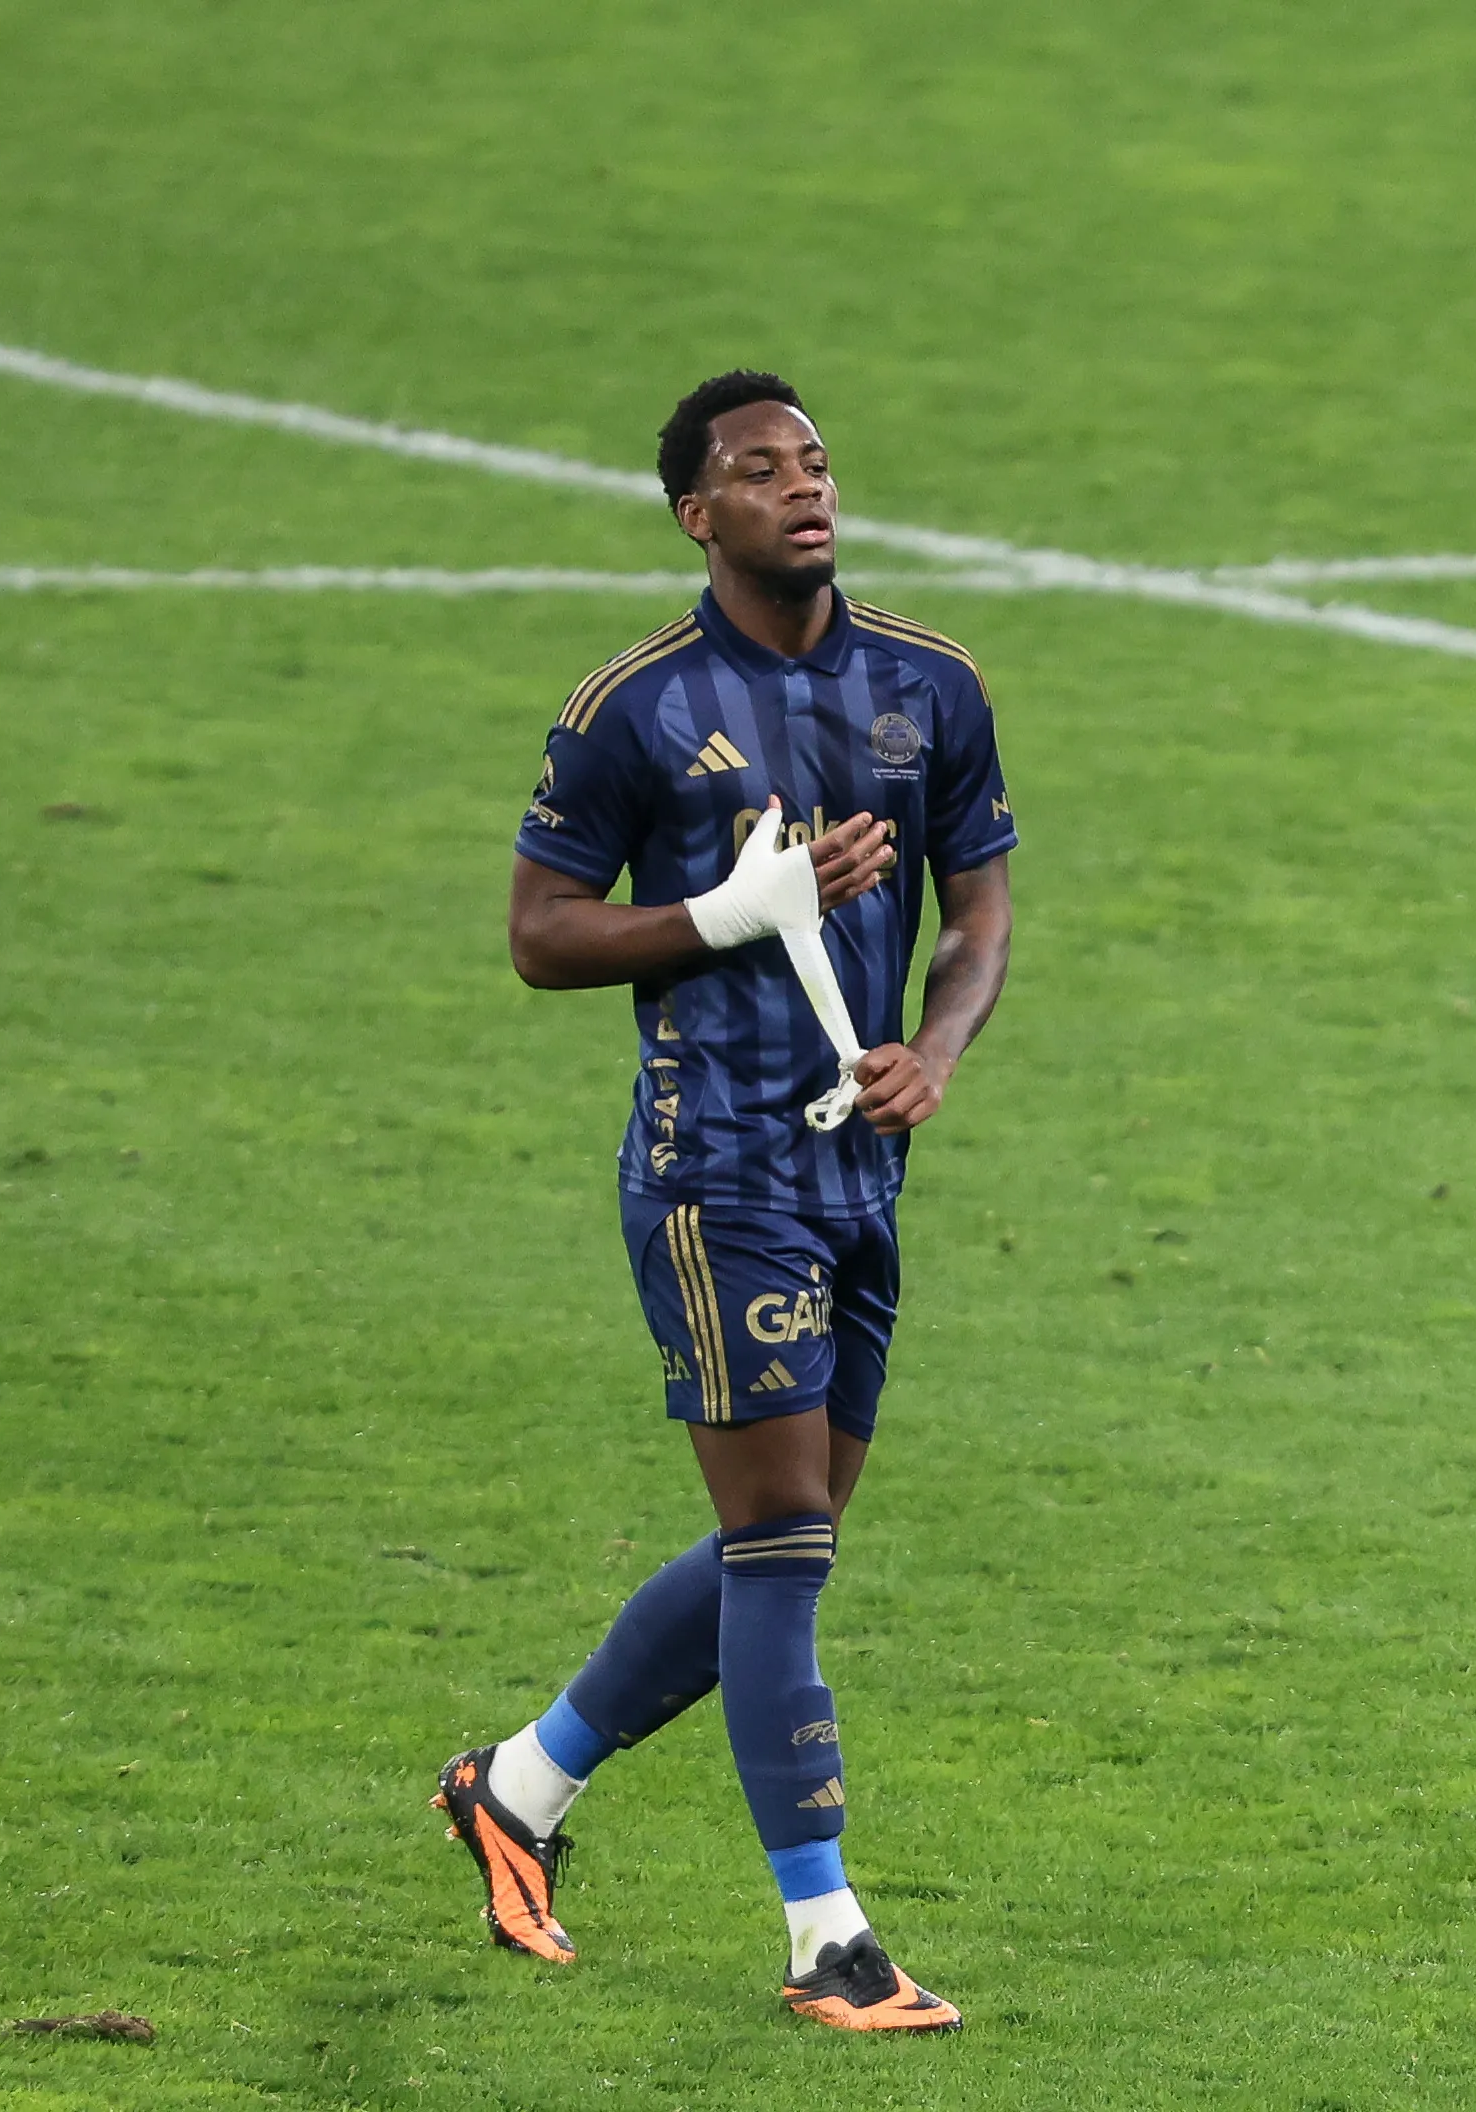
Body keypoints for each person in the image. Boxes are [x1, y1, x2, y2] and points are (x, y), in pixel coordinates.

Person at [432, 370, 1016, 2034]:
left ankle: (520, 1788)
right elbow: (542, 934)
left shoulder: (927, 682)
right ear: (699, 515)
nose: (801, 486)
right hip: (719, 1171)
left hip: (858, 1160)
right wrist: (721, 910)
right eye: (758, 471)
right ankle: (825, 1936)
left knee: (796, 1536)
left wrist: (937, 1048)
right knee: (775, 1546)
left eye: (814, 461)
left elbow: (976, 910)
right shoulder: (634, 708)